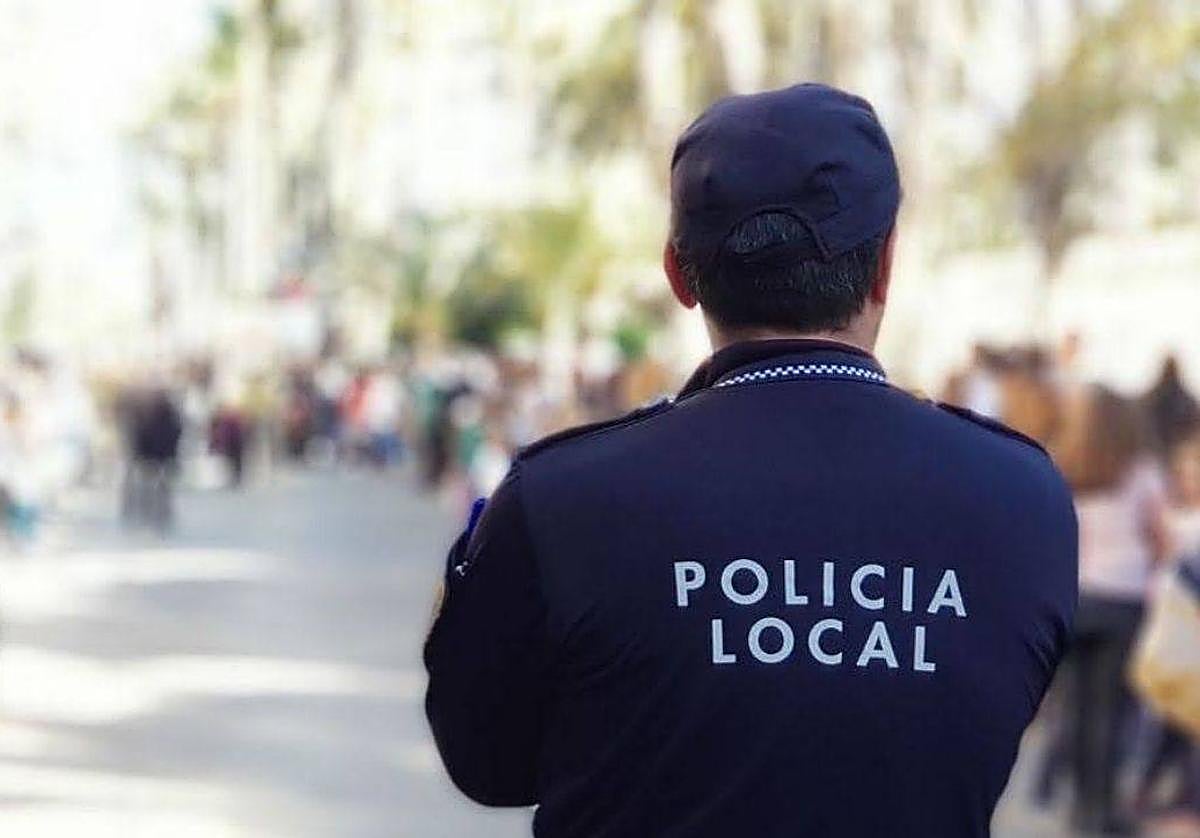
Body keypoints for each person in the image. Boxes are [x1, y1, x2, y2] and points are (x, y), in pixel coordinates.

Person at [424, 83, 1078, 837]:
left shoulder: (561, 498)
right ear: (884, 267)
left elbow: (487, 762)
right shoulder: (1020, 497)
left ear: (678, 274)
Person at [1052, 384, 1170, 834]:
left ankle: (1079, 807)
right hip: (1125, 601)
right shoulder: (1141, 472)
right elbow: (1161, 538)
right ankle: (1102, 810)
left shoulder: (1067, 465)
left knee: (1076, 708)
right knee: (1111, 712)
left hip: (1079, 597)